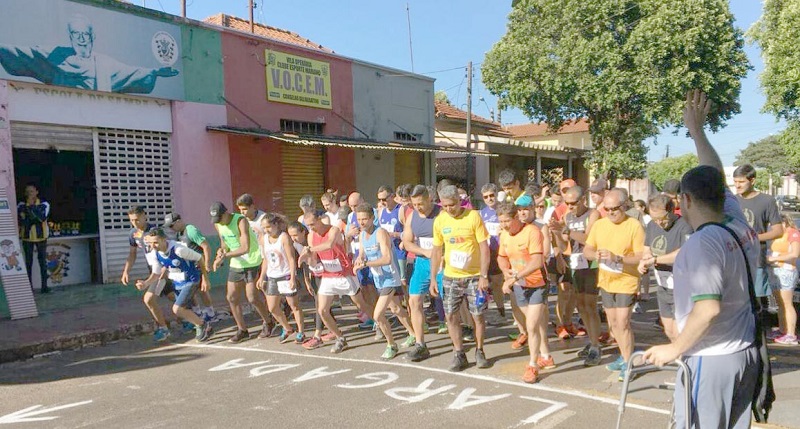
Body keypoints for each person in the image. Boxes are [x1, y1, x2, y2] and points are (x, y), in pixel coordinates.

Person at [644, 90, 761, 428]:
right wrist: (697, 131)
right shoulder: (736, 220)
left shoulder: (701, 244)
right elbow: (714, 174)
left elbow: (707, 309)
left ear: (684, 199)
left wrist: (673, 348)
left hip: (711, 359)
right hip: (743, 353)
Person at [0, 14, 178, 93]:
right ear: (70, 36)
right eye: (76, 34)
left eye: (85, 34)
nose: (81, 38)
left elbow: (130, 72)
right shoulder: (56, 57)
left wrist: (155, 72)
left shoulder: (104, 64)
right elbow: (26, 55)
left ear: (92, 36)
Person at [584, 188, 645, 381]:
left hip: (626, 281)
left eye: (614, 209)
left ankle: (629, 364)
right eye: (607, 209)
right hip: (606, 281)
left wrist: (617, 258)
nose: (610, 212)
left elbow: (640, 256)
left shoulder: (634, 225)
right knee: (613, 324)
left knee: (623, 322)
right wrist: (596, 255)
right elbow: (587, 250)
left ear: (624, 205)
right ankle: (623, 355)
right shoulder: (600, 225)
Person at [431, 185, 492, 372]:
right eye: (445, 206)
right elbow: (436, 249)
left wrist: (483, 275)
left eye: (453, 205)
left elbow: (484, 248)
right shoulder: (440, 221)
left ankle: (480, 350)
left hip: (474, 276)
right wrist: (434, 277)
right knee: (450, 315)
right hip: (451, 276)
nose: (449, 209)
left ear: (460, 201)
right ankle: (459, 353)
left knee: (477, 315)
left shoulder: (473, 217)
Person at [299, 210, 375, 353]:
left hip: (344, 273)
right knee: (322, 310)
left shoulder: (333, 230)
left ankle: (379, 321)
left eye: (313, 224)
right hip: (328, 275)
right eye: (308, 225)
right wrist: (307, 258)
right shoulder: (311, 236)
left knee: (361, 304)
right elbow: (314, 258)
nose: (311, 228)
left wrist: (309, 249)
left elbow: (329, 244)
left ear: (320, 219)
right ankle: (340, 338)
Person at [496, 202, 552, 383]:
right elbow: (501, 257)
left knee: (531, 325)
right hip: (520, 285)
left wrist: (514, 278)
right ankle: (546, 355)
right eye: (501, 221)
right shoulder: (504, 235)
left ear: (516, 218)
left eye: (507, 221)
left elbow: (537, 261)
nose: (504, 225)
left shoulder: (532, 232)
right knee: (536, 323)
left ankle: (533, 365)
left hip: (537, 283)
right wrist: (506, 272)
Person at [353, 203, 415, 360]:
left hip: (390, 277)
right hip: (378, 279)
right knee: (395, 309)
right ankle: (413, 333)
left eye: (365, 219)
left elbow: (387, 258)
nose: (361, 222)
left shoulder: (380, 233)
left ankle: (391, 345)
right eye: (359, 219)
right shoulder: (362, 235)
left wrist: (366, 264)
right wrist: (360, 260)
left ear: (372, 218)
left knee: (378, 314)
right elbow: (362, 254)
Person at [211, 201, 273, 343]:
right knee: (231, 297)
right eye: (216, 220)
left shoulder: (240, 220)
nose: (219, 222)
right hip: (236, 263)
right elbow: (224, 242)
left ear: (226, 213)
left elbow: (245, 247)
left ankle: (268, 321)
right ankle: (242, 330)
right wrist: (221, 252)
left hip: (251, 260)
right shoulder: (218, 224)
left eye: (220, 218)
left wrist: (225, 256)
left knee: (252, 298)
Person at [138, 228, 213, 342]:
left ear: (164, 240)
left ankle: (202, 324)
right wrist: (145, 283)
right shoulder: (155, 254)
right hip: (178, 283)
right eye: (151, 243)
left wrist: (205, 279)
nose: (154, 246)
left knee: (177, 309)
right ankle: (199, 322)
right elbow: (156, 273)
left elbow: (199, 258)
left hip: (191, 280)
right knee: (184, 309)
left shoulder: (179, 250)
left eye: (156, 242)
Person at [556, 186, 603, 365]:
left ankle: (596, 345)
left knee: (590, 304)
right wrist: (557, 232)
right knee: (580, 304)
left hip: (591, 262)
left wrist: (567, 231)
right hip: (575, 262)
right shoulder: (567, 217)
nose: (570, 207)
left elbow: (589, 239)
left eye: (573, 203)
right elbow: (564, 245)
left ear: (583, 199)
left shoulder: (593, 214)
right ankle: (592, 341)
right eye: (567, 203)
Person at [637, 194, 693, 341]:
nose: (659, 223)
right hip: (663, 285)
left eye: (662, 218)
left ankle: (685, 360)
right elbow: (647, 248)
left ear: (672, 211)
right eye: (655, 219)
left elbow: (683, 252)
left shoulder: (685, 225)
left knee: (679, 330)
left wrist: (655, 259)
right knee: (668, 330)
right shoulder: (652, 225)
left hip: (681, 285)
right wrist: (645, 260)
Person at [402, 185, 446, 362]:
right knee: (414, 300)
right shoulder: (412, 216)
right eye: (414, 204)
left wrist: (439, 255)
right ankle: (421, 344)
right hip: (422, 262)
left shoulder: (441, 214)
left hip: (442, 262)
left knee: (450, 303)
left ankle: (462, 332)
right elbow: (407, 242)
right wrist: (426, 252)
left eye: (420, 203)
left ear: (429, 199)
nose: (417, 207)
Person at [732, 164, 784, 305]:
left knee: (757, 303)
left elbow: (778, 231)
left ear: (752, 180)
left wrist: (752, 239)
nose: (737, 185)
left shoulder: (767, 201)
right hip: (734, 258)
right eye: (735, 182)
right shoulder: (731, 201)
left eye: (741, 182)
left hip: (756, 260)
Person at [122, 206, 173, 341]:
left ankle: (164, 329)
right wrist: (126, 271)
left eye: (137, 219)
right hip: (154, 270)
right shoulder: (133, 234)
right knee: (173, 296)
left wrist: (166, 268)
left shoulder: (154, 231)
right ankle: (190, 318)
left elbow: (167, 250)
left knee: (149, 299)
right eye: (132, 220)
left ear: (144, 216)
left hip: (163, 270)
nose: (135, 223)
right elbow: (132, 254)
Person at [258, 213, 305, 344]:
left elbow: (291, 258)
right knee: (272, 308)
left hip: (285, 275)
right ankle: (287, 328)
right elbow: (266, 259)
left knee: (293, 305)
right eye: (264, 228)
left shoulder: (284, 237)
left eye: (268, 227)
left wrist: (292, 277)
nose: (266, 230)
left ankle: (301, 331)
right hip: (272, 276)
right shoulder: (263, 239)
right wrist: (262, 277)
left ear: (276, 225)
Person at [163, 212, 217, 322]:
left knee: (202, 290)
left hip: (198, 265)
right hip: (189, 267)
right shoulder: (179, 234)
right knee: (191, 291)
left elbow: (205, 246)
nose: (171, 229)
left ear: (178, 221)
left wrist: (207, 263)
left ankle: (210, 313)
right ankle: (197, 312)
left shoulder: (191, 230)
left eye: (171, 226)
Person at [287, 221, 333, 349]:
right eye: (290, 235)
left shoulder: (311, 240)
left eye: (295, 235)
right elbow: (306, 264)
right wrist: (306, 279)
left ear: (303, 232)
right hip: (315, 274)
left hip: (327, 272)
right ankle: (330, 329)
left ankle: (318, 334)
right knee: (320, 303)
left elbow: (315, 257)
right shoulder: (296, 244)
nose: (293, 238)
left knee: (320, 304)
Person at [766, 214, 800, 344]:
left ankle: (791, 334)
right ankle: (782, 329)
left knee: (787, 303)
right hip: (776, 270)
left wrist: (774, 258)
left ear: (784, 223)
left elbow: (795, 253)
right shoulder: (779, 235)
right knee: (780, 303)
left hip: (786, 271)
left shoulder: (793, 233)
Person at [479, 183, 507, 318]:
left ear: (496, 195)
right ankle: (489, 312)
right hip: (487, 252)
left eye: (491, 195)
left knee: (500, 282)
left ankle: (503, 310)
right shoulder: (481, 214)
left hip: (502, 252)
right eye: (486, 197)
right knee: (486, 283)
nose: (489, 199)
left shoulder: (503, 211)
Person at [17, 183, 50, 293]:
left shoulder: (44, 204)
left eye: (31, 191)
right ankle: (28, 288)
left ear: (36, 192)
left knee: (43, 263)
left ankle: (44, 287)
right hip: (27, 238)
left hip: (41, 237)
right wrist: (31, 213)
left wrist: (30, 208)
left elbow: (41, 218)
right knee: (28, 263)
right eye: (27, 192)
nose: (29, 194)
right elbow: (22, 220)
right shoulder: (21, 205)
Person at [377, 185, 409, 287]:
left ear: (392, 196)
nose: (382, 202)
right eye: (379, 199)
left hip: (399, 251)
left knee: (403, 281)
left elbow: (408, 231)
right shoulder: (381, 211)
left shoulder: (400, 210)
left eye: (384, 199)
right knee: (391, 281)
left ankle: (409, 303)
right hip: (387, 252)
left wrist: (395, 235)